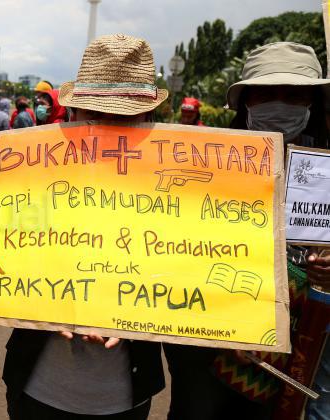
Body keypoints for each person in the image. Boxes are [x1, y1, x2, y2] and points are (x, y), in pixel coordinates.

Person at [4, 34, 167, 420]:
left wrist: (140, 317)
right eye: (95, 115)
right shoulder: (30, 178)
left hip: (124, 398)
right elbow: (1, 269)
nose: (107, 130)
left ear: (148, 121)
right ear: (73, 115)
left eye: (124, 118)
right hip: (38, 390)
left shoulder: (176, 194)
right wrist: (43, 304)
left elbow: (192, 281)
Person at [181, 41, 330, 420]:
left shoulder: (326, 171)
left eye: (293, 95)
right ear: (246, 101)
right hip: (207, 347)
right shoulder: (204, 163)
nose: (279, 104)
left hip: (297, 353)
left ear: (312, 103)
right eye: (266, 94)